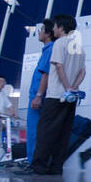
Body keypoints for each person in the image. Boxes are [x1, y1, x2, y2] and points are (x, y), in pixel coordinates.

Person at [17, 14, 85, 176]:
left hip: (55, 96)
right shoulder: (78, 46)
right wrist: (73, 88)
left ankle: (38, 167)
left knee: (44, 131)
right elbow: (83, 71)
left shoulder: (59, 44)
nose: (53, 29)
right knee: (63, 134)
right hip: (71, 98)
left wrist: (65, 87)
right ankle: (56, 167)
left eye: (54, 26)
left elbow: (56, 68)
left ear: (61, 28)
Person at [23, 19, 54, 163]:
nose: (39, 32)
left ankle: (33, 162)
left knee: (34, 131)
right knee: (39, 131)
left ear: (48, 33)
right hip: (40, 95)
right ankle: (36, 161)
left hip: (38, 96)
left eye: (42, 30)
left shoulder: (50, 49)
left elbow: (45, 74)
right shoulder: (48, 50)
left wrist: (38, 96)